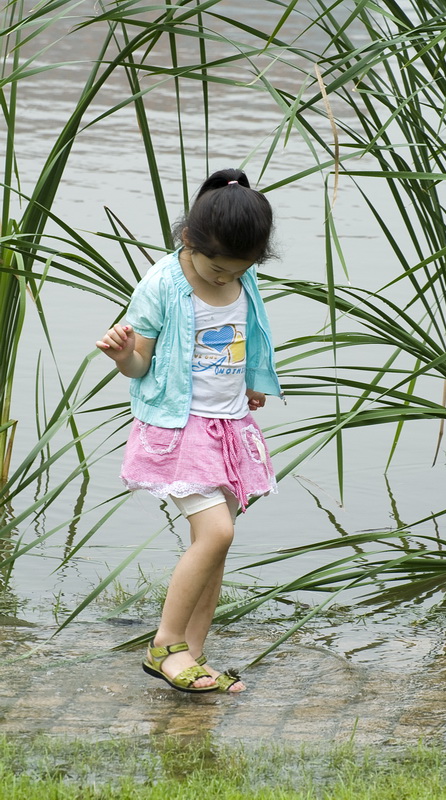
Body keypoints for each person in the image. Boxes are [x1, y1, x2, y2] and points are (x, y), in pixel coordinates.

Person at [96, 168, 283, 694]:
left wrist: (248, 381)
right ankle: (164, 647)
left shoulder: (242, 277)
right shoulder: (161, 285)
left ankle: (194, 656)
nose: (226, 280)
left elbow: (240, 335)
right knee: (216, 532)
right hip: (179, 430)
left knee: (217, 543)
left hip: (227, 426)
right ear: (188, 241)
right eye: (217, 270)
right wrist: (121, 355)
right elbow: (140, 367)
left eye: (237, 272)